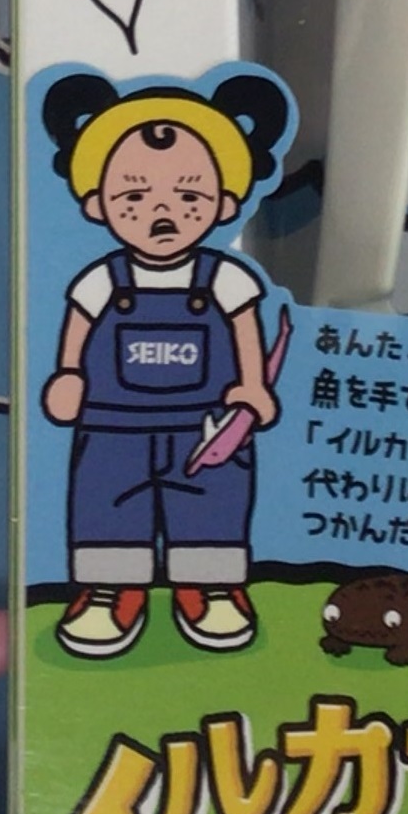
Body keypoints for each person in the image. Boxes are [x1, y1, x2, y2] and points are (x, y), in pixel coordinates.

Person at [39, 71, 289, 659]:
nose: (162, 212)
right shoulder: (102, 280)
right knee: (107, 502)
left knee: (211, 504)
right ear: (97, 204)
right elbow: (76, 329)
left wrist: (253, 386)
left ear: (224, 203)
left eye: (188, 197)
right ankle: (109, 592)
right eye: (134, 197)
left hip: (207, 426)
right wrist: (69, 376)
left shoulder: (225, 279)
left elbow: (245, 331)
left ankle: (210, 588)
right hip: (111, 426)